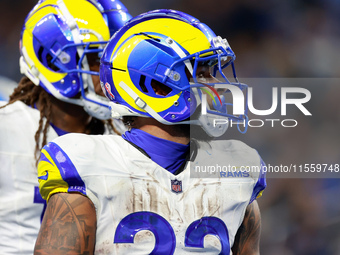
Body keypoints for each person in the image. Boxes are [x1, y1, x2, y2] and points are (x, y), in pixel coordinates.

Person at [34, 9, 266, 254]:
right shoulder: (90, 166)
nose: (216, 85)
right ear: (155, 84)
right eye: (202, 73)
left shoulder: (238, 170)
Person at [0, 0, 131, 254]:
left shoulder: (125, 133)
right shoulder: (6, 126)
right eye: (95, 59)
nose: (109, 74)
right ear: (52, 60)